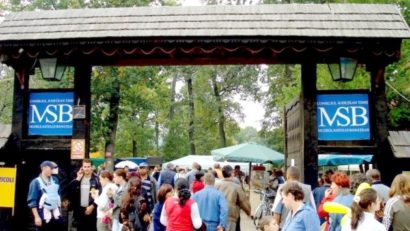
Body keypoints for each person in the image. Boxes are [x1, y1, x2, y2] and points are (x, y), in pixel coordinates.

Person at [27, 161, 63, 231]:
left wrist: (60, 211)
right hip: (43, 216)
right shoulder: (35, 182)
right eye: (51, 168)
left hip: (56, 216)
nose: (52, 170)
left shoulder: (55, 180)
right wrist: (36, 217)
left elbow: (58, 196)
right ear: (44, 168)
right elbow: (32, 201)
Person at [68, 159, 101, 231]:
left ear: (91, 167)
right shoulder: (78, 178)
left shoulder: (96, 179)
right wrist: (78, 178)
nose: (86, 168)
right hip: (79, 210)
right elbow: (70, 190)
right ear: (82, 167)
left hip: (92, 209)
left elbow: (100, 195)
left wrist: (92, 206)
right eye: (85, 167)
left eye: (88, 166)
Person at [215, 165, 251, 231]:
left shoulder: (216, 184)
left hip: (218, 214)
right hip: (231, 216)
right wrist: (248, 212)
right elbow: (243, 201)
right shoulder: (236, 187)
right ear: (232, 173)